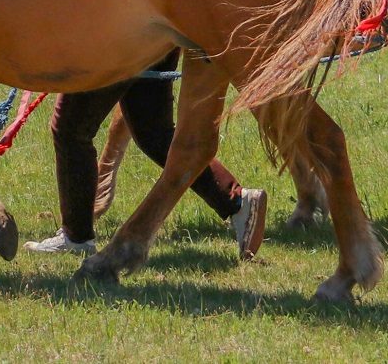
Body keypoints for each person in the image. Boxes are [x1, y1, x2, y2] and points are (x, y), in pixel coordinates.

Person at [24, 52, 268, 259]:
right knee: (154, 131)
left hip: (116, 31)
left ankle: (76, 237)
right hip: (156, 27)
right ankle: (236, 199)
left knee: (71, 127)